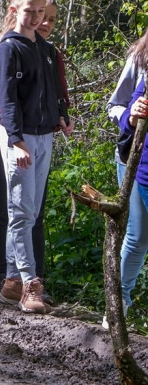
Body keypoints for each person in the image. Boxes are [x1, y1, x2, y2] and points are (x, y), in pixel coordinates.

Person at [0, 0, 71, 313]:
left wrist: (63, 115)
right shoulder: (8, 48)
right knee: (21, 211)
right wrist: (16, 140)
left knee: (32, 211)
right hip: (19, 136)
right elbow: (7, 100)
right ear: (15, 11)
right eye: (30, 11)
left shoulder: (47, 49)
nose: (37, 18)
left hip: (44, 134)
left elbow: (54, 89)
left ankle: (11, 281)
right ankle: (29, 284)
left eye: (41, 12)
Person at [107, 28, 148, 324]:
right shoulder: (140, 57)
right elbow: (115, 106)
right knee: (137, 237)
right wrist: (130, 115)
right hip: (135, 159)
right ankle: (118, 304)